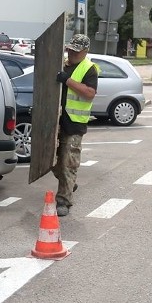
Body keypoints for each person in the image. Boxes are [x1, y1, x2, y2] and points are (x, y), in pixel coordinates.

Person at [52, 34, 99, 217]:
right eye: (70, 49)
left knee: (68, 163)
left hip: (74, 124)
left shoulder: (89, 69)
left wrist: (67, 80)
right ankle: (69, 181)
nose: (71, 53)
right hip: (56, 121)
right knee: (51, 161)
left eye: (76, 51)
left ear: (85, 52)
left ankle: (64, 200)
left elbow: (89, 93)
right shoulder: (63, 64)